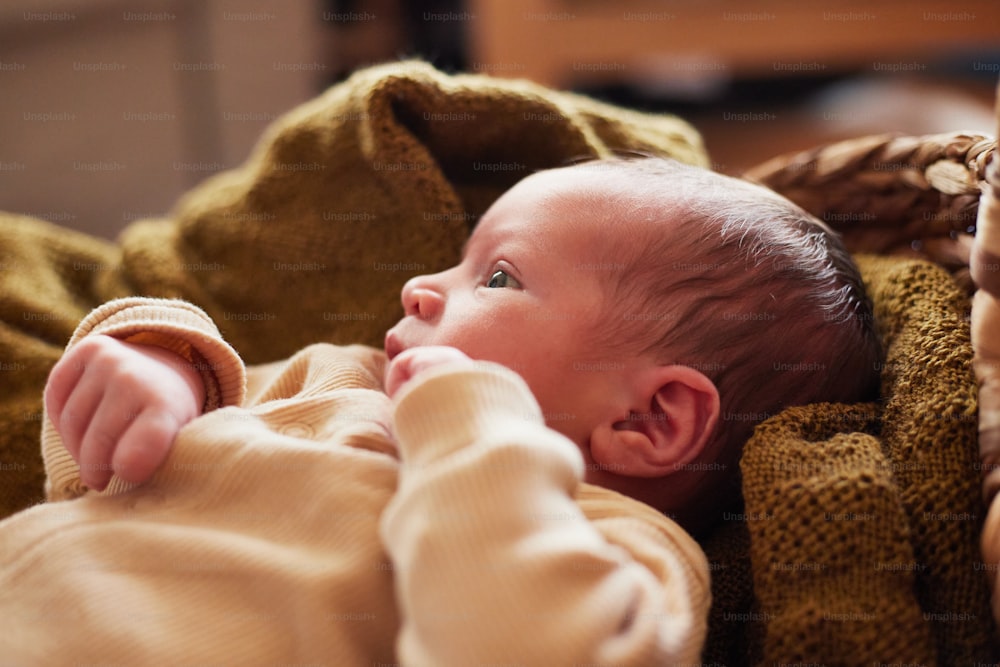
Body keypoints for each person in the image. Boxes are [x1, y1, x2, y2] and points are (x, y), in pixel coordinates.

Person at [2, 157, 880, 665]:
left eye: (497, 276)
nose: (419, 286)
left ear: (649, 422)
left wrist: (477, 429)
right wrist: (161, 369)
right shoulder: (341, 377)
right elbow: (101, 476)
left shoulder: (622, 551)